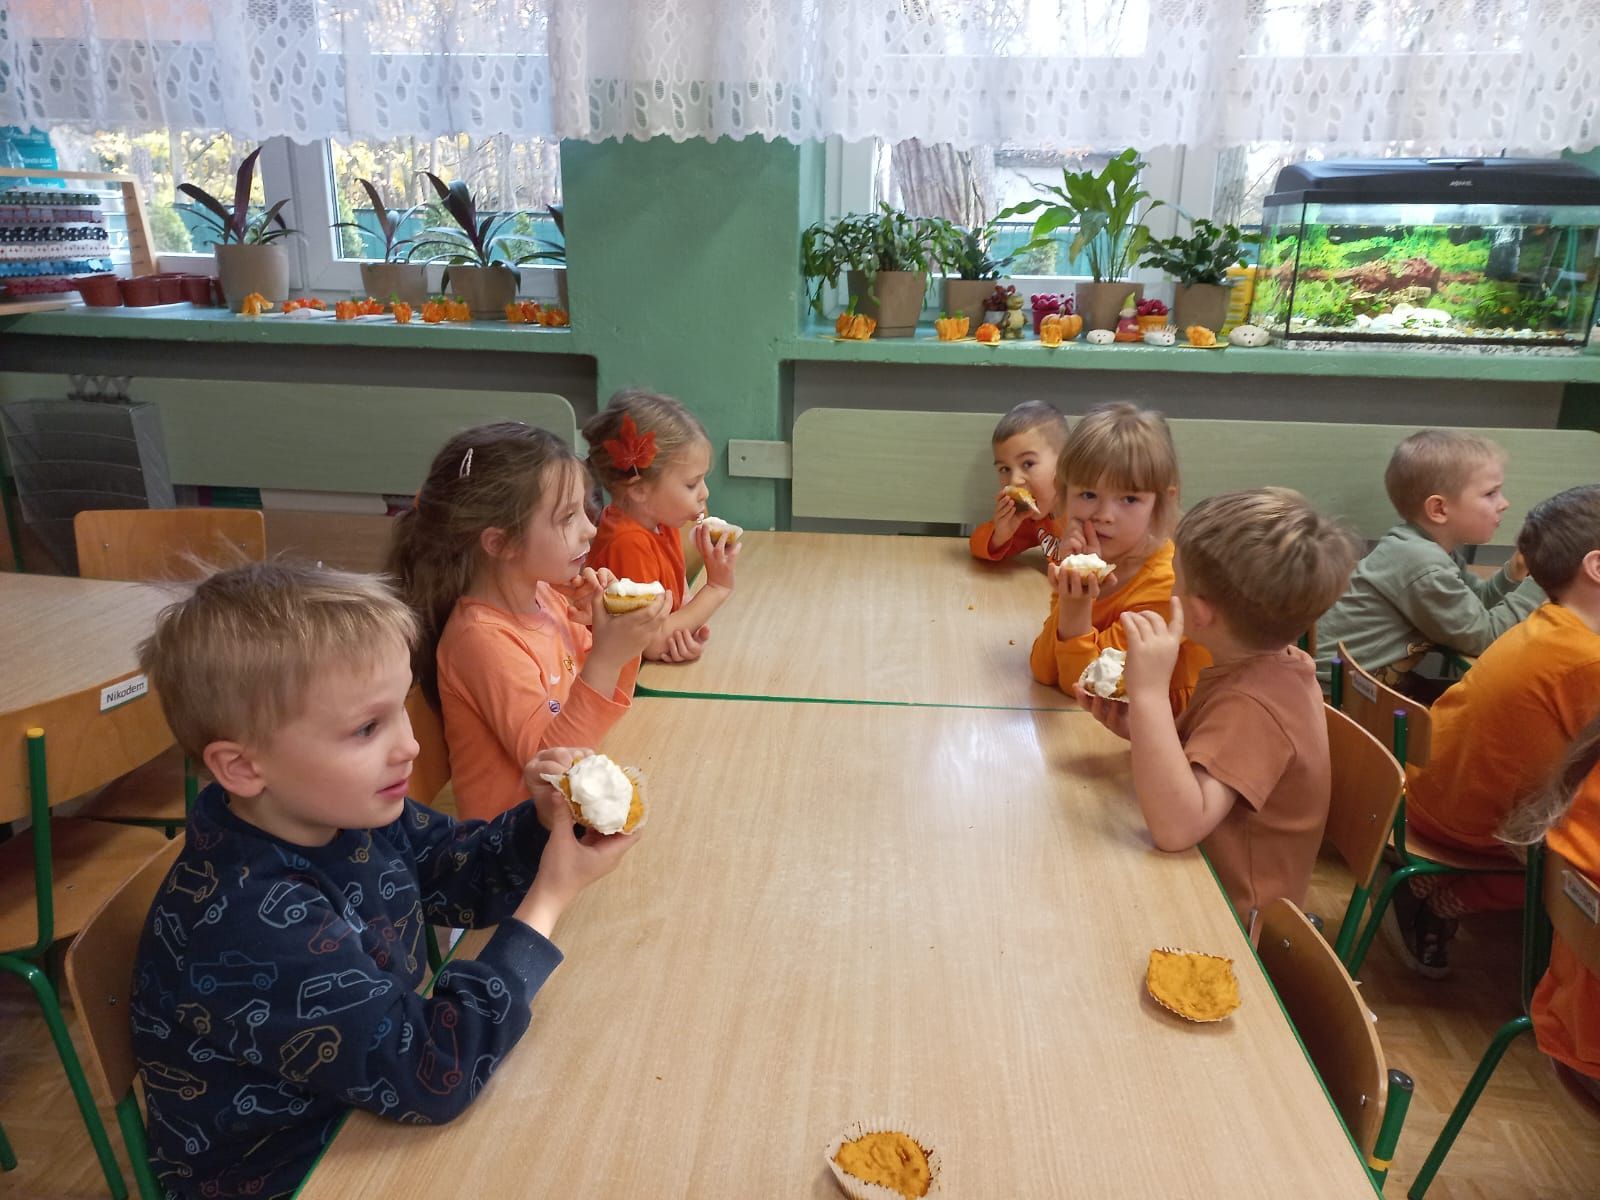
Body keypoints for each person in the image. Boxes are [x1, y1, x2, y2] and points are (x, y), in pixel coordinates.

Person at [130, 561, 637, 1198]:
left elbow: (460, 873)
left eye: (402, 708)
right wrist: (548, 901)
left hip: (367, 1110)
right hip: (296, 1172)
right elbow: (434, 1071)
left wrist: (539, 822)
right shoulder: (247, 920)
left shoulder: (340, 814)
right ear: (242, 767)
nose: (410, 747)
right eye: (367, 728)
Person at [1077, 488, 1358, 933]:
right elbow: (1213, 760)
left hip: (1227, 922)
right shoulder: (1269, 666)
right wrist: (1146, 729)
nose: (1170, 586)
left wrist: (1150, 695)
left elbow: (1177, 828)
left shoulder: (1255, 705)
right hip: (1199, 882)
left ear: (1199, 613)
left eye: (1175, 578)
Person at [388, 421, 663, 820]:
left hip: (567, 814)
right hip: (513, 843)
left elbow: (598, 713)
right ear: (501, 543)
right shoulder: (480, 639)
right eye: (567, 517)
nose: (590, 528)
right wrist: (607, 656)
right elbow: (552, 768)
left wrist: (610, 631)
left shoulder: (546, 596)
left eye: (584, 509)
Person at [1391, 484, 1600, 976]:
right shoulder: (1587, 660)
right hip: (1470, 827)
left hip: (1427, 793)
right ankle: (1448, 899)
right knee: (1573, 860)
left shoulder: (1552, 622)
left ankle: (1424, 885)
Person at [1315, 428, 1542, 695]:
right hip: (1335, 695)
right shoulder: (1423, 565)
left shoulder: (1424, 548)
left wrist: (1513, 574)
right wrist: (1543, 582)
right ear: (1439, 509)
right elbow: (1485, 638)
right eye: (1490, 493)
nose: (1504, 503)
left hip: (1357, 685)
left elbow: (1475, 606)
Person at [1029, 402, 1210, 713]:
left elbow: (1088, 687)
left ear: (1161, 502)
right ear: (1064, 492)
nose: (1104, 515)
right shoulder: (1085, 556)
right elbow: (1044, 670)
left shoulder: (1169, 585)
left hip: (1185, 727)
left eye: (1128, 499)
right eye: (1088, 495)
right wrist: (1072, 592)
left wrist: (1076, 604)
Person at [583, 390, 740, 664]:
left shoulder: (661, 524)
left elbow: (676, 608)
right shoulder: (628, 542)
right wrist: (717, 587)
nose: (704, 493)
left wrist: (686, 634)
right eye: (691, 484)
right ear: (640, 490)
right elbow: (651, 643)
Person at [969, 400, 1069, 562]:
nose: (1014, 481)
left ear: (1065, 462)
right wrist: (1000, 535)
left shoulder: (1093, 512)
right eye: (1005, 469)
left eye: (1028, 464)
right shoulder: (1032, 519)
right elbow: (978, 546)